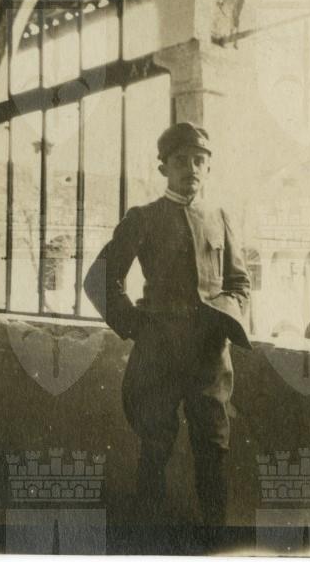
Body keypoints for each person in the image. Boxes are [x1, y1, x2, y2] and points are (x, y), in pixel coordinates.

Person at [83, 122, 251, 526]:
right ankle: (149, 537)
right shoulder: (143, 218)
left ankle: (214, 538)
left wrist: (226, 320)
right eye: (180, 161)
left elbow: (240, 283)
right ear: (163, 168)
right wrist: (137, 326)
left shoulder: (220, 217)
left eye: (199, 161)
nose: (191, 168)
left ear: (208, 167)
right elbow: (99, 279)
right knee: (155, 447)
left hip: (210, 358)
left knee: (213, 448)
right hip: (158, 357)